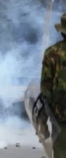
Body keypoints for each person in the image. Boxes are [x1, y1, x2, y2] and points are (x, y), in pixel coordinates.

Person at [41, 13, 66, 158]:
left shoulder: (52, 53)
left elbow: (46, 86)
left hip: (60, 110)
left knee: (61, 151)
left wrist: (48, 111)